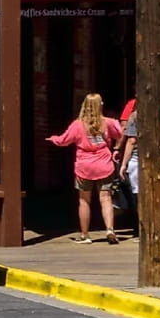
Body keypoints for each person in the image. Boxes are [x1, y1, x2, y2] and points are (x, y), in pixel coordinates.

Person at [47, 93, 123, 244]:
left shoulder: (77, 125)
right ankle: (110, 229)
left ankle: (85, 235)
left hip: (84, 167)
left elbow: (63, 141)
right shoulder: (108, 122)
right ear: (100, 105)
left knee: (84, 201)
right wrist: (116, 149)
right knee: (106, 198)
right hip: (104, 165)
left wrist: (53, 138)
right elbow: (120, 134)